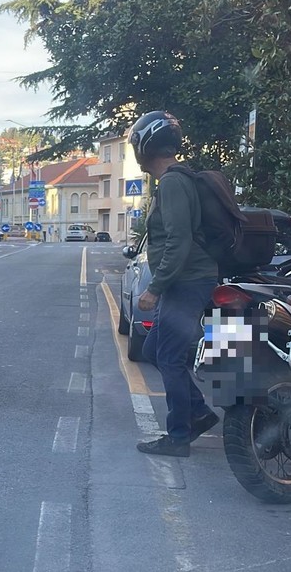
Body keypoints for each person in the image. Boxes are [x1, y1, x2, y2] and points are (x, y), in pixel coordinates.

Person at [128, 110, 220, 457]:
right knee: (153, 350)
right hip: (187, 279)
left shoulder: (172, 183)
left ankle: (179, 436)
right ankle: (197, 412)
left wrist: (155, 287)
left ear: (145, 145)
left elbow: (179, 241)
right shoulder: (175, 180)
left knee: (167, 356)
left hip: (188, 280)